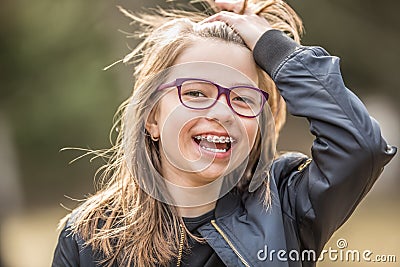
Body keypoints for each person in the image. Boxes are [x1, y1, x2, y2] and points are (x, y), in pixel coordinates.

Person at [52, 0, 396, 266]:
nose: (222, 113)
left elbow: (360, 145)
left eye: (242, 99)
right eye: (196, 93)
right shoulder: (88, 238)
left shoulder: (286, 205)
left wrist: (270, 45)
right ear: (152, 119)